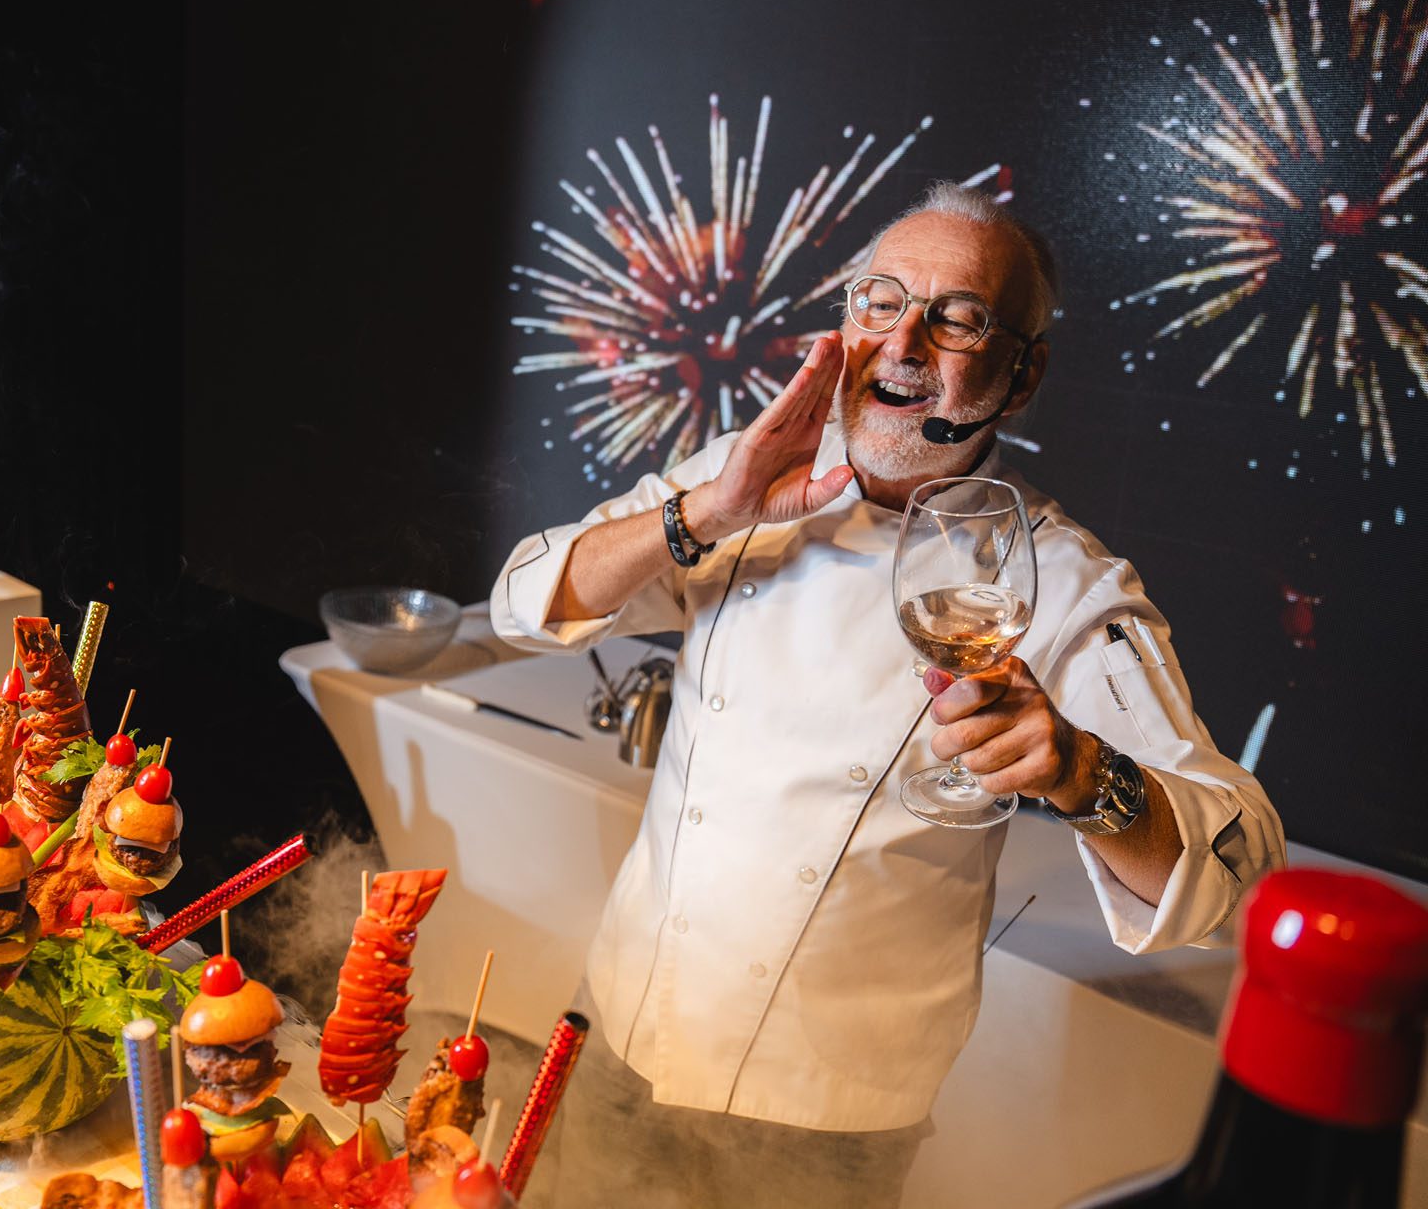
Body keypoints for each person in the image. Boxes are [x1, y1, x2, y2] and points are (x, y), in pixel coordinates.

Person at [490, 183, 1285, 1207]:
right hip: (617, 1023)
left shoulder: (1062, 577)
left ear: (1021, 371)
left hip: (821, 1121)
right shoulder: (750, 479)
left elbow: (1237, 858)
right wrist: (710, 507)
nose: (904, 339)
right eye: (880, 301)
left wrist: (1085, 773)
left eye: (956, 316)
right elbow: (522, 601)